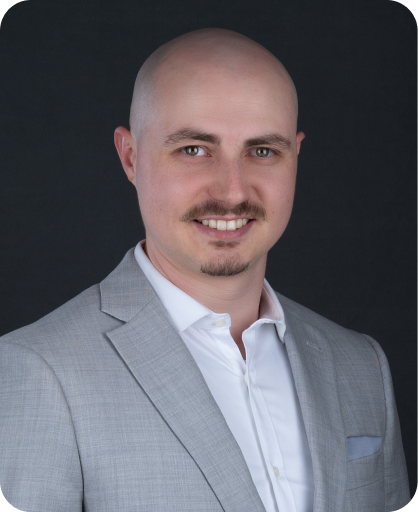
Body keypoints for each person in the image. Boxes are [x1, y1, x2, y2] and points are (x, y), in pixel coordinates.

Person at [0, 28, 410, 512]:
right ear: (130, 157)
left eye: (263, 151)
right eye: (194, 149)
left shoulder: (362, 366)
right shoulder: (34, 373)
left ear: (296, 155)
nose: (233, 192)